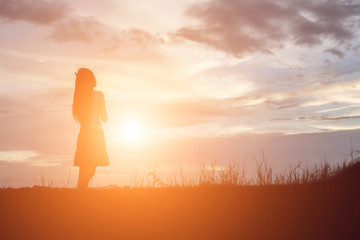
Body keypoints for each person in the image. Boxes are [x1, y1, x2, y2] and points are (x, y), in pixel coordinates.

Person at [72, 68, 109, 189]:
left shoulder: (78, 98)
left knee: (83, 167)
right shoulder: (98, 95)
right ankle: (77, 191)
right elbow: (105, 118)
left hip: (83, 135)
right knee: (91, 168)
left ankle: (80, 195)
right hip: (95, 135)